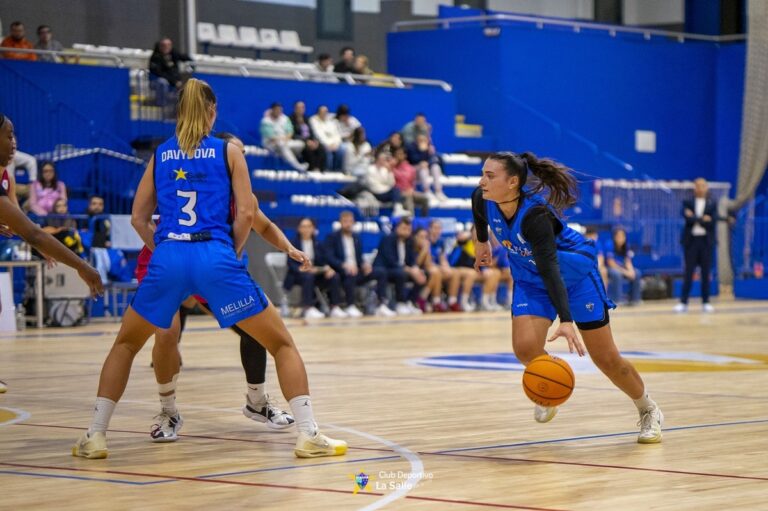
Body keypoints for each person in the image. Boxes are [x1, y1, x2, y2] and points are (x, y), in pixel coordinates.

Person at [71, 79, 346, 460]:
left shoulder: (161, 154)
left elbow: (137, 218)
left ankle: (95, 436)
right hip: (214, 254)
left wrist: (166, 249)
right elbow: (248, 213)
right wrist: (226, 252)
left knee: (127, 344)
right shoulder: (229, 151)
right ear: (212, 112)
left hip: (168, 255)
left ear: (178, 112)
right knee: (281, 342)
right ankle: (308, 434)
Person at [472, 151, 663, 444]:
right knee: (525, 348)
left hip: (574, 277)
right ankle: (549, 382)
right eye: (483, 174)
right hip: (530, 279)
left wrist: (565, 320)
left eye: (490, 175)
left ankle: (648, 408)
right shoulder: (483, 197)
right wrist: (482, 242)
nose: (482, 181)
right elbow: (479, 215)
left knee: (606, 359)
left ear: (512, 182)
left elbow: (551, 270)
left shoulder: (535, 217)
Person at [139, 134, 294, 440]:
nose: (243, 157)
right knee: (166, 336)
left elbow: (261, 223)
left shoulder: (240, 193)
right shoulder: (189, 178)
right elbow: (141, 218)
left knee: (255, 330)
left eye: (246, 152)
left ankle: (257, 401)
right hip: (170, 262)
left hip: (212, 269)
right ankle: (168, 411)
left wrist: (290, 249)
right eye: (240, 151)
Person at [0, 113, 102, 396]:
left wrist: (40, 247)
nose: (14, 143)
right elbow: (33, 232)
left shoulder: (4, 175)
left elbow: (20, 223)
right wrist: (82, 266)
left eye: (15, 136)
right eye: (9, 136)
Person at [283, 217, 346, 319]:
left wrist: (327, 269)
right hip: (297, 275)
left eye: (309, 226)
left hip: (316, 274)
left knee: (334, 276)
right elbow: (290, 263)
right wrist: (303, 269)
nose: (306, 229)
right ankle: (308, 308)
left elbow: (323, 260)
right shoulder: (293, 244)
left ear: (313, 228)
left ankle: (335, 307)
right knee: (308, 276)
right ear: (299, 229)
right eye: (303, 226)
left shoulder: (318, 243)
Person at [323, 210, 381, 318]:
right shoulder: (332, 237)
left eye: (350, 221)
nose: (348, 224)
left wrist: (364, 265)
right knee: (350, 273)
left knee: (380, 272)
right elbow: (329, 257)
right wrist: (344, 265)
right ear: (340, 222)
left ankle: (382, 305)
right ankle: (350, 305)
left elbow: (359, 258)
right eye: (345, 221)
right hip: (341, 270)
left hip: (356, 270)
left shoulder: (356, 237)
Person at [675, 178, 717, 313]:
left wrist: (695, 218)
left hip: (706, 242)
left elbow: (713, 221)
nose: (700, 188)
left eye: (703, 185)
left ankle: (706, 302)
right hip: (691, 242)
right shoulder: (687, 202)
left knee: (706, 273)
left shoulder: (712, 203)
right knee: (688, 273)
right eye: (697, 185)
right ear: (694, 188)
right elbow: (687, 217)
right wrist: (702, 218)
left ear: (707, 187)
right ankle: (683, 302)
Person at [372, 216, 424, 316]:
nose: (406, 232)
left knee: (422, 274)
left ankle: (410, 301)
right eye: (404, 228)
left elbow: (412, 260)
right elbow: (391, 261)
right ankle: (400, 303)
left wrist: (415, 269)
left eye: (409, 229)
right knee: (401, 273)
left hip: (401, 269)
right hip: (385, 269)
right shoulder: (388, 238)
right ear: (397, 228)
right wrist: (409, 270)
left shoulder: (410, 241)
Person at [260, 102, 308, 171]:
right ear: (272, 110)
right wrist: (282, 140)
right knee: (281, 145)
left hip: (285, 141)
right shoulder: (265, 121)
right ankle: (297, 166)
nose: (279, 112)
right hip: (270, 144)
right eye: (277, 110)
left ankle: (283, 155)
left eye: (280, 110)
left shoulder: (285, 119)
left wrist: (286, 138)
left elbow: (290, 131)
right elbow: (271, 137)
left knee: (301, 144)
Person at [148, 37, 192, 108]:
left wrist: (192, 64)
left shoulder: (173, 54)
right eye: (164, 45)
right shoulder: (155, 57)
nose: (166, 47)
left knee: (188, 86)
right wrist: (174, 82)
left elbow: (186, 58)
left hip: (173, 81)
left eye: (169, 45)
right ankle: (162, 106)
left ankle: (180, 111)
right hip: (157, 81)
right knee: (162, 82)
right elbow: (159, 73)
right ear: (160, 46)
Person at [605, 227, 641, 305]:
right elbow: (611, 263)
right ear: (614, 237)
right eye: (618, 236)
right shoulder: (609, 244)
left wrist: (631, 271)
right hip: (610, 268)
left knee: (637, 273)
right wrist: (625, 272)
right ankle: (616, 300)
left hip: (622, 268)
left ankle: (635, 300)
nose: (621, 239)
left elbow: (628, 261)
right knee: (616, 274)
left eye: (623, 237)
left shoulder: (626, 246)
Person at [406, 133, 447, 203]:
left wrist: (428, 160)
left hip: (426, 167)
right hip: (415, 169)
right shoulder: (411, 147)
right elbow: (413, 159)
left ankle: (438, 191)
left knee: (435, 167)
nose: (422, 141)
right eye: (420, 139)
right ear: (416, 139)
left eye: (424, 140)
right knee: (423, 169)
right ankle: (427, 190)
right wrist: (423, 152)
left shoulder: (429, 147)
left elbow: (434, 159)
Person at [412, 227, 444, 313]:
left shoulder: (425, 247)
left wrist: (427, 251)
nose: (424, 240)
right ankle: (423, 299)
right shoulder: (411, 247)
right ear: (415, 237)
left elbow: (428, 264)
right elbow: (416, 263)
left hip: (423, 270)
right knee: (435, 272)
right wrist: (424, 250)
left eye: (425, 237)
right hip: (412, 270)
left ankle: (435, 301)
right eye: (421, 237)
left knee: (436, 272)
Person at [392, 146, 429, 217]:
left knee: (425, 199)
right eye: (397, 154)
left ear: (404, 155)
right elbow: (391, 183)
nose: (399, 156)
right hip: (398, 194)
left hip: (410, 191)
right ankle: (411, 221)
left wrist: (412, 189)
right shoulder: (392, 168)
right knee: (409, 199)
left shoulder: (410, 168)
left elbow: (412, 182)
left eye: (401, 154)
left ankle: (423, 220)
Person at [288, 101, 325, 172]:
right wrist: (306, 141)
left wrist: (315, 141)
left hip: (310, 140)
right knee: (307, 149)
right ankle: (312, 168)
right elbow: (292, 134)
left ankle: (320, 169)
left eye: (302, 107)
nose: (301, 109)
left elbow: (311, 131)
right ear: (295, 108)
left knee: (320, 147)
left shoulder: (307, 118)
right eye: (299, 108)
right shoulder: (290, 119)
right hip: (299, 141)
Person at [309, 105, 343, 170]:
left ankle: (337, 170)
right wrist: (328, 144)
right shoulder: (313, 120)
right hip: (323, 143)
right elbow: (318, 135)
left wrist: (336, 144)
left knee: (343, 148)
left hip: (334, 144)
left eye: (326, 112)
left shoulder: (331, 121)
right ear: (318, 112)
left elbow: (337, 134)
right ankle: (328, 170)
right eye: (322, 112)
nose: (325, 113)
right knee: (327, 151)